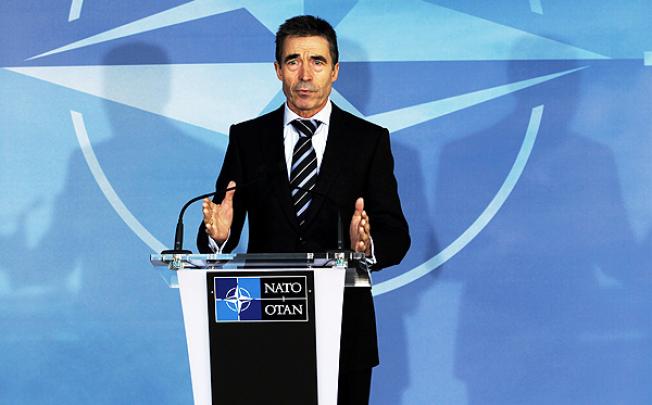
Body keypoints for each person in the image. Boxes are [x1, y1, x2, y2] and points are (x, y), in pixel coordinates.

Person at [197, 15, 410, 405]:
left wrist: (367, 245)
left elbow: (396, 234)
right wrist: (219, 236)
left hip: (345, 327)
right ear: (278, 70)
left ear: (335, 71)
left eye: (318, 62)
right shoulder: (247, 138)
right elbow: (221, 217)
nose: (305, 75)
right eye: (294, 61)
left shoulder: (368, 141)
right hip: (261, 319)